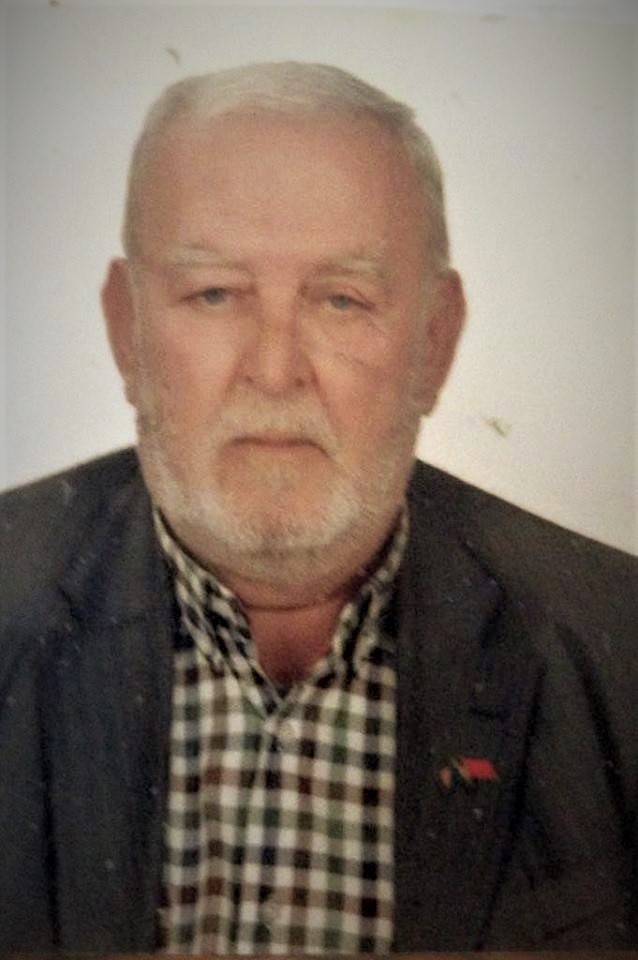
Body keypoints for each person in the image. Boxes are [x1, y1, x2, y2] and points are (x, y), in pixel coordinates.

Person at [0, 61, 636, 954]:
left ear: (434, 341)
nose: (274, 371)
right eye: (214, 293)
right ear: (125, 330)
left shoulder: (620, 647)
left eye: (342, 300)